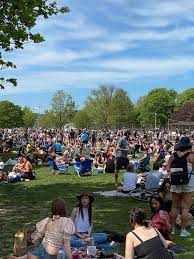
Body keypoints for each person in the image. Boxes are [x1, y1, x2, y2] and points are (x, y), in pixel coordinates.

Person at [167, 136, 194, 237]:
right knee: (186, 207)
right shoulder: (191, 156)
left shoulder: (173, 155)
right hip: (189, 182)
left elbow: (168, 168)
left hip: (176, 182)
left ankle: (172, 229)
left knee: (174, 206)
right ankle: (183, 230)